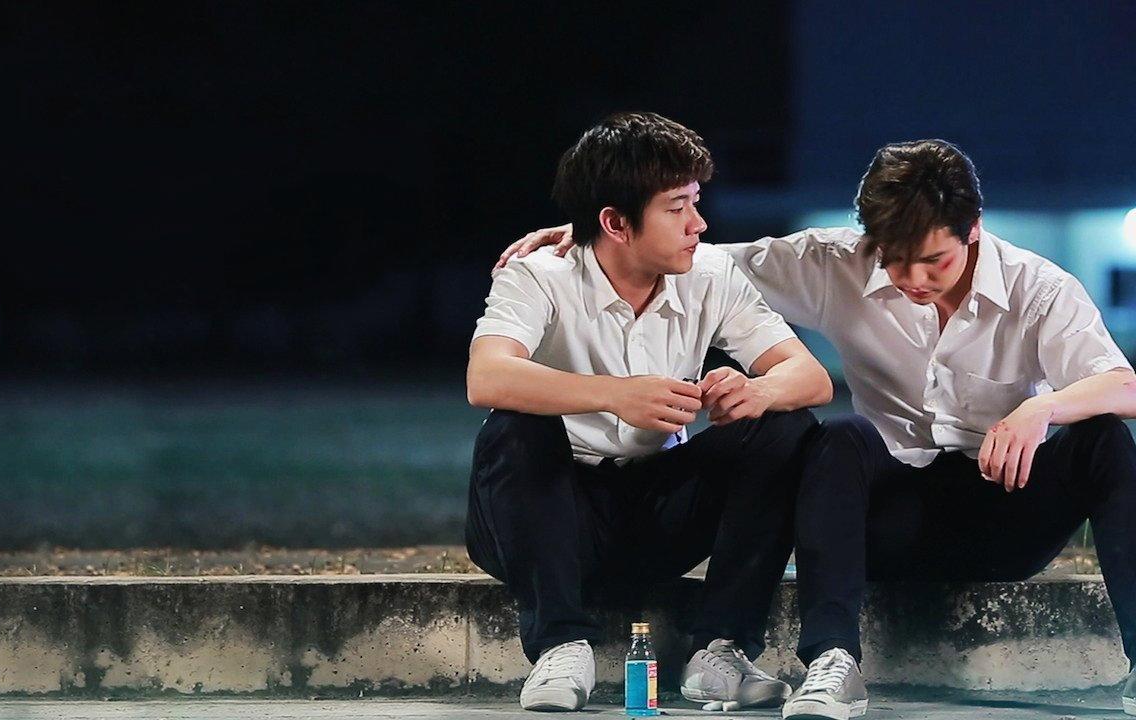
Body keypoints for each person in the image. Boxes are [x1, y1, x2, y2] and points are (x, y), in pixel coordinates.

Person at [499, 138, 1136, 718]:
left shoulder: (1037, 288)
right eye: (894, 260)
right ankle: (833, 663)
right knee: (838, 436)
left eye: (933, 261)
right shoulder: (838, 264)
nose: (912, 280)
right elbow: (695, 258)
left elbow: (1124, 385)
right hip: (888, 520)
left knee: (1103, 437)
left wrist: (1041, 409)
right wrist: (594, 234)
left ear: (973, 230)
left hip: (1007, 509)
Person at [466, 112, 833, 712]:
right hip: (548, 515)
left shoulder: (710, 274)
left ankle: (720, 650)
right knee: (515, 424)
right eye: (677, 207)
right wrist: (615, 393)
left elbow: (810, 377)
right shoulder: (540, 274)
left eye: (696, 202)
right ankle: (560, 646)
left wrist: (755, 391)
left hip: (656, 510)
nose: (698, 224)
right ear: (615, 222)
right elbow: (487, 376)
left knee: (785, 425)